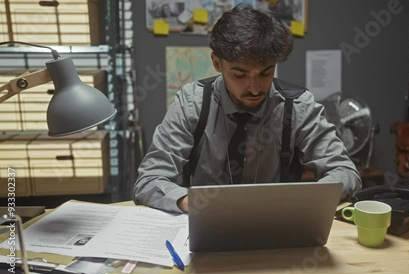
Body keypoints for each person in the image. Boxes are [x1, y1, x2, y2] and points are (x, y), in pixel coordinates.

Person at [133, 5, 361, 214]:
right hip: (204, 227)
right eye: (239, 74)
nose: (254, 88)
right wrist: (189, 202)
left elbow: (345, 172)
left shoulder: (298, 107)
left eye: (265, 73)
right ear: (216, 63)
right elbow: (150, 180)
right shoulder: (191, 103)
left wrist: (307, 200)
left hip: (278, 227)